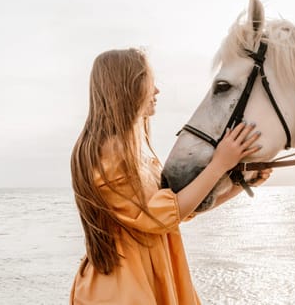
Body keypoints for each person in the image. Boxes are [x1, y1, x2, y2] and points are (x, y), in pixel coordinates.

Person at [69, 48, 272, 304]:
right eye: (149, 81)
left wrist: (238, 186)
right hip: (125, 290)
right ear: (128, 85)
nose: (156, 90)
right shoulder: (111, 152)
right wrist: (220, 164)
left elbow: (178, 211)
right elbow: (160, 216)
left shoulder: (132, 149)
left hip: (140, 279)